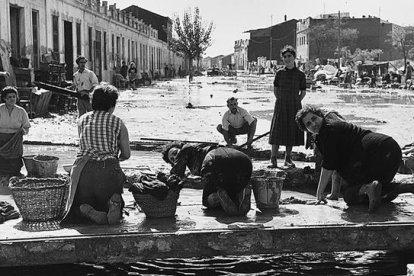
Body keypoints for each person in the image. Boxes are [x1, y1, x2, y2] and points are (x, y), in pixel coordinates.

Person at [295, 105, 414, 212]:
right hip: (392, 150)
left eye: (314, 118)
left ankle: (372, 188)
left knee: (349, 195)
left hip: (376, 154)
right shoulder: (331, 125)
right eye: (308, 124)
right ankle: (405, 187)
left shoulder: (328, 131)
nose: (313, 124)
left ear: (320, 116)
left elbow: (328, 166)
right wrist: (334, 194)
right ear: (306, 129)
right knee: (377, 188)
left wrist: (319, 194)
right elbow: (336, 164)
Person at [64, 84, 131, 225]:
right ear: (112, 105)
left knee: (78, 205)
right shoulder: (118, 122)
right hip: (108, 170)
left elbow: (83, 145)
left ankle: (86, 209)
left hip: (83, 169)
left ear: (92, 102)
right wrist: (117, 157)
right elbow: (127, 153)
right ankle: (113, 204)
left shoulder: (82, 119)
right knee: (111, 198)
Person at [162, 142, 252, 216]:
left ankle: (219, 195)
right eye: (172, 159)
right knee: (232, 189)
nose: (175, 157)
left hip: (216, 159)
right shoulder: (199, 148)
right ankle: (242, 191)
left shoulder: (185, 148)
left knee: (206, 201)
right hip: (243, 160)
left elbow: (176, 174)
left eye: (174, 153)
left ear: (179, 148)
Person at [268, 45, 306, 168]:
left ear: (294, 57)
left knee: (291, 132)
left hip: (294, 106)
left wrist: (295, 101)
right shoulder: (279, 73)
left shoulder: (300, 75)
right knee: (277, 132)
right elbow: (275, 90)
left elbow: (303, 92)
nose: (287, 58)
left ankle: (287, 159)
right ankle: (273, 159)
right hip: (280, 105)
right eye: (284, 57)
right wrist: (282, 100)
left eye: (289, 56)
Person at [0, 86, 30, 176]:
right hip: (1, 139)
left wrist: (22, 131)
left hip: (15, 140)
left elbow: (26, 127)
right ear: (4, 98)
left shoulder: (21, 111)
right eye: (9, 97)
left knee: (14, 165)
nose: (12, 99)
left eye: (14, 96)